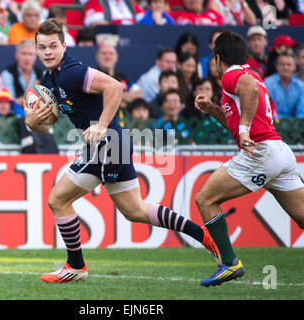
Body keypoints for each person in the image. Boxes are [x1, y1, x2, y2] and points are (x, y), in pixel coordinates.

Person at [24, 18, 220, 283]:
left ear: (63, 46)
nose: (47, 52)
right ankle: (202, 235)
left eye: (52, 46)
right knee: (135, 211)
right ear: (36, 49)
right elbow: (44, 128)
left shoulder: (70, 72)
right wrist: (32, 122)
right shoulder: (51, 79)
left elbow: (115, 86)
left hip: (106, 144)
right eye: (42, 47)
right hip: (112, 144)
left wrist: (101, 126)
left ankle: (76, 266)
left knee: (58, 200)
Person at [194, 31, 304, 287]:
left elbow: (250, 91)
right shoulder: (251, 73)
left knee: (205, 199)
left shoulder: (234, 75)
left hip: (261, 152)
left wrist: (244, 130)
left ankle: (230, 264)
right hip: (280, 152)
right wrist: (212, 109)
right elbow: (236, 117)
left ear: (218, 58)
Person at [95, 42, 143, 125]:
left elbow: (139, 95)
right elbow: (100, 100)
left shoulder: (123, 77)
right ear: (97, 57)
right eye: (104, 53)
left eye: (111, 53)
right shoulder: (94, 76)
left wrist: (114, 97)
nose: (108, 56)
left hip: (125, 123)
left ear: (116, 57)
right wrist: (124, 99)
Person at [1, 39, 43, 104]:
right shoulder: (7, 74)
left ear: (35, 57)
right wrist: (29, 93)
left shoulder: (43, 74)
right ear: (16, 55)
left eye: (30, 54)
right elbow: (9, 104)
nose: (27, 58)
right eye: (24, 54)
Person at [264, 51, 304, 119]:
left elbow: (301, 114)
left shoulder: (301, 86)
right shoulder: (267, 84)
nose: (285, 67)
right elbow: (265, 111)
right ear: (276, 66)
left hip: (296, 127)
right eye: (282, 64)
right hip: (272, 126)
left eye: (288, 64)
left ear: (294, 67)